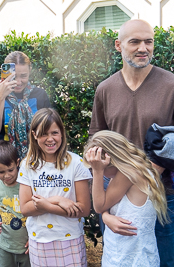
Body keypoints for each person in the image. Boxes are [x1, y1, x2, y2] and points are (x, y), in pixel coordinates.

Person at [88, 19, 174, 265]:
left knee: (165, 260)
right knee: (122, 259)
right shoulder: (105, 89)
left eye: (149, 41)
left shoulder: (171, 85)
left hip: (162, 195)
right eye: (134, 41)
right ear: (119, 45)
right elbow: (96, 142)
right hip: (116, 197)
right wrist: (104, 212)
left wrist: (148, 172)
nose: (143, 48)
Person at [18, 108, 91, 267]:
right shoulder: (27, 166)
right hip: (40, 239)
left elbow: (84, 209)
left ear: (62, 134)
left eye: (54, 133)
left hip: (70, 238)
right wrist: (56, 200)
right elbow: (25, 208)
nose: (50, 139)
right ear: (34, 135)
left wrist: (46, 207)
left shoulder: (76, 163)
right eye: (44, 133)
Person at [84, 130, 169, 266]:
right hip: (127, 255)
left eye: (101, 168)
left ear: (112, 161)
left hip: (128, 260)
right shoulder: (135, 169)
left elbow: (99, 206)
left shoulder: (128, 174)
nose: (103, 175)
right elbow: (106, 206)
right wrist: (106, 216)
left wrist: (97, 171)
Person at [0, 51, 51, 160]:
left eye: (23, 76)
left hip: (34, 160)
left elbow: (48, 131)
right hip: (3, 164)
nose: (18, 82)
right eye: (13, 77)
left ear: (30, 72)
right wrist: (0, 96)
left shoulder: (40, 95)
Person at [0, 140, 30, 267]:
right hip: (5, 247)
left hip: (26, 247)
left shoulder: (27, 186)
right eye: (1, 172)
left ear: (17, 163)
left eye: (10, 170)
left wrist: (33, 239)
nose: (7, 175)